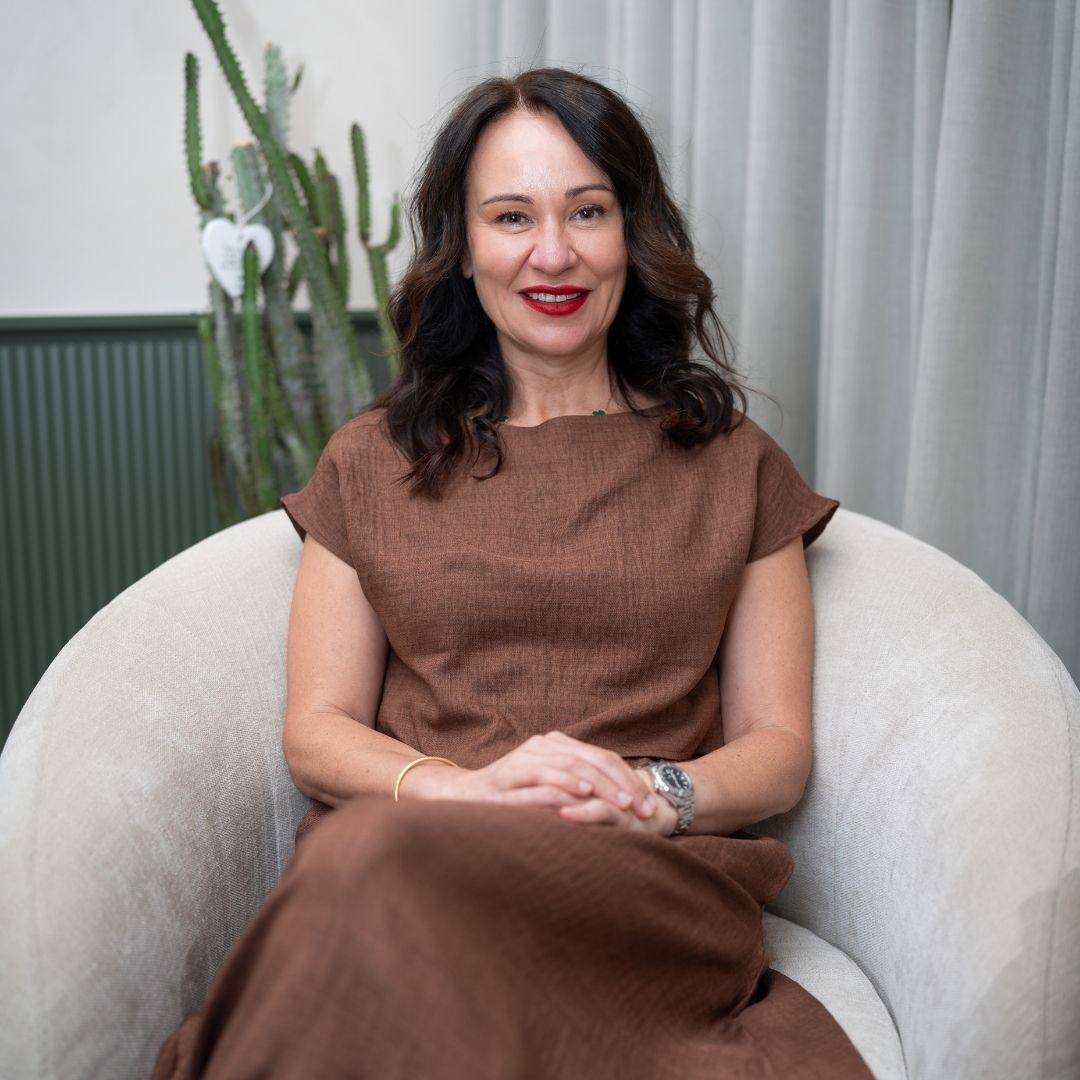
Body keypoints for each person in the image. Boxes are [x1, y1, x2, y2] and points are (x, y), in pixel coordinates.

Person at [153, 68, 870, 1078]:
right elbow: (315, 732)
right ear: (463, 246)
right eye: (510, 216)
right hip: (411, 853)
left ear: (634, 231)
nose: (553, 252)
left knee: (359, 895)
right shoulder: (370, 460)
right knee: (363, 869)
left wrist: (652, 791)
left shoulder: (733, 460)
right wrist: (462, 795)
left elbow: (779, 746)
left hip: (643, 876)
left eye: (588, 211)